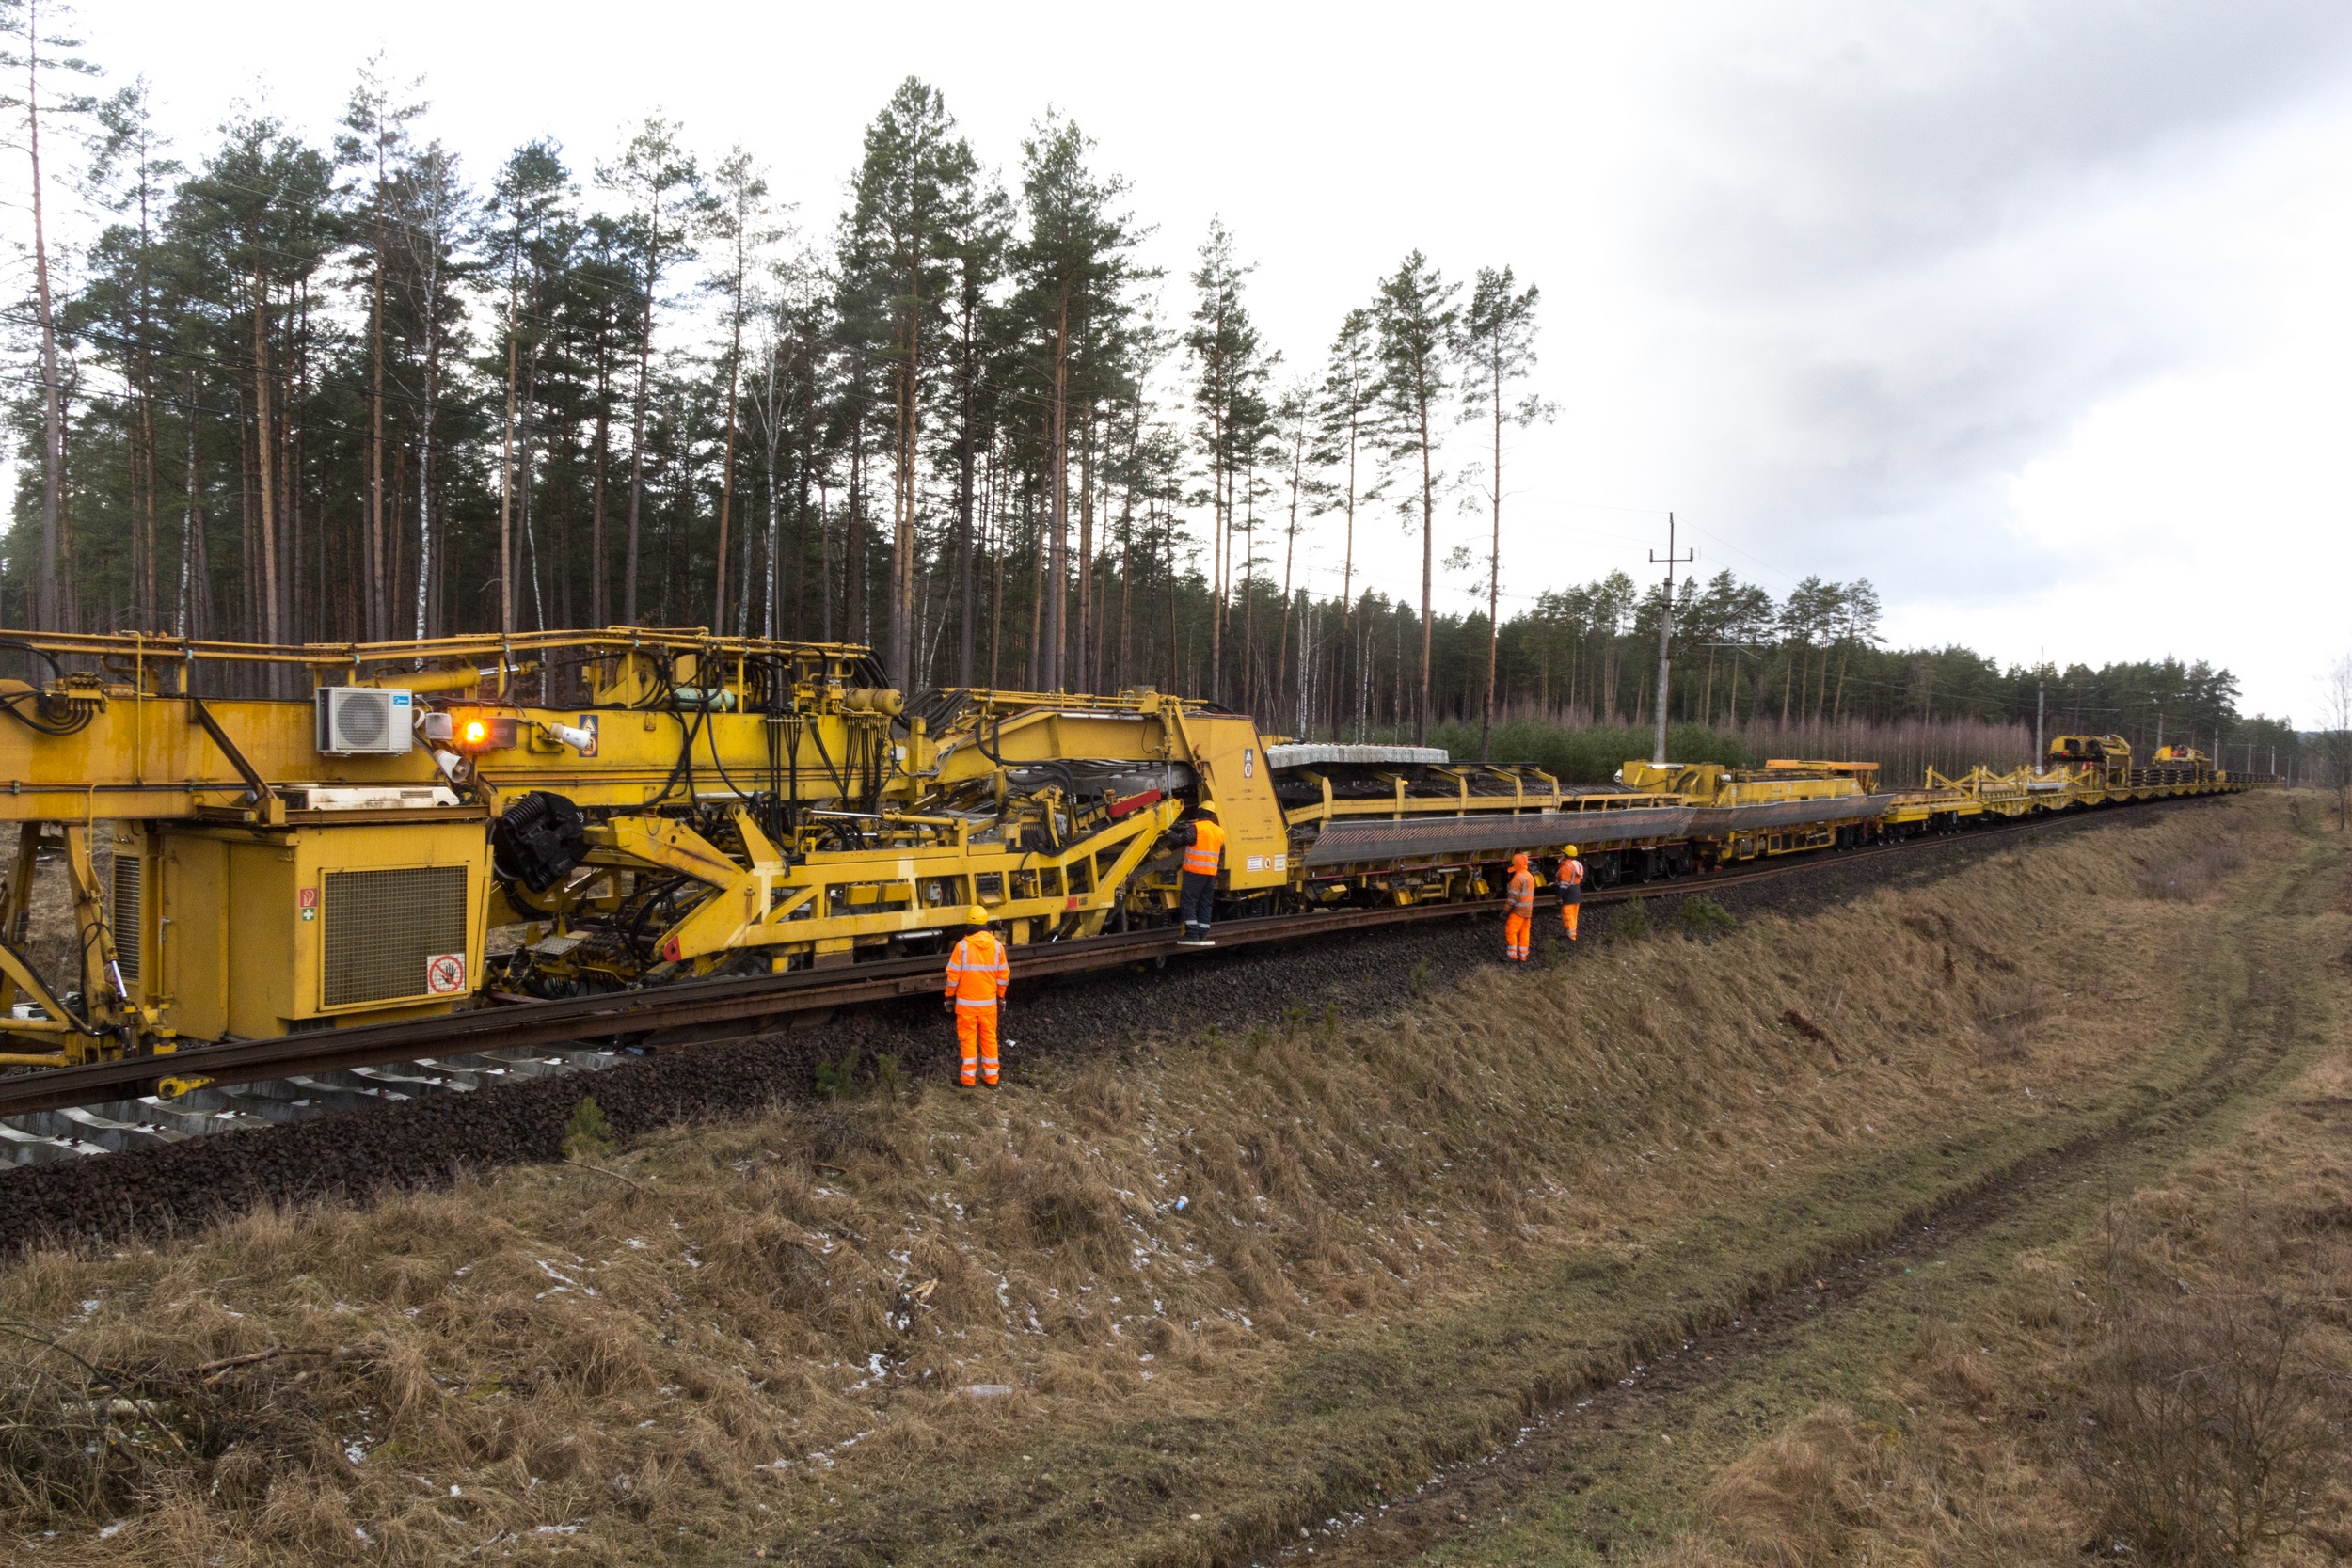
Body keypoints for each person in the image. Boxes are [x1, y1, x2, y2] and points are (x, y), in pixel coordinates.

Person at [943, 905, 1009, 1087]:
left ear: (969, 926)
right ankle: (991, 1079)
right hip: (988, 1005)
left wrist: (949, 997)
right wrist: (1000, 997)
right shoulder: (997, 947)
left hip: (966, 1006)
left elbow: (953, 977)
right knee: (989, 1039)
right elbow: (1003, 976)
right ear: (986, 924)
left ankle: (968, 1080)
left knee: (968, 1041)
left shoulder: (962, 947)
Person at [1168, 802, 1223, 946]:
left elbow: (1179, 840)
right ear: (1211, 814)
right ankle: (1202, 934)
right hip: (1210, 874)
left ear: (1200, 812)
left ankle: (1192, 933)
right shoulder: (1219, 831)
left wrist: (1168, 832)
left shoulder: (1196, 828)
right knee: (1205, 903)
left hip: (1195, 873)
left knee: (1188, 901)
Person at [1502, 851, 1535, 962]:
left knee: (1511, 930)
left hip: (1518, 911)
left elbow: (1512, 897)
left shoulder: (1518, 878)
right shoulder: (1529, 876)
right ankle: (1523, 955)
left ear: (1516, 864)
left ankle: (1512, 955)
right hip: (1528, 910)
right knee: (1524, 932)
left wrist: (1505, 910)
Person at [1556, 845, 1586, 942]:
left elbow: (1564, 884)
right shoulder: (1578, 865)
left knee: (1567, 914)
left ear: (1566, 855)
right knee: (1573, 915)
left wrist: (1559, 896)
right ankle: (1572, 935)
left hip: (1569, 893)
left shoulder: (1567, 867)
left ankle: (1571, 937)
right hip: (1576, 891)